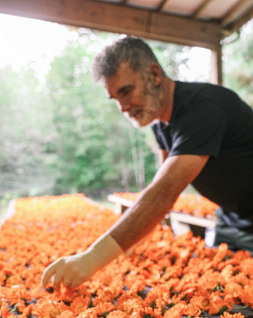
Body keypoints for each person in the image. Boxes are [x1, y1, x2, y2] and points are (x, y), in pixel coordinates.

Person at [42, 36, 253, 289]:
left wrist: (94, 257)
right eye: (115, 99)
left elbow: (165, 191)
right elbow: (161, 183)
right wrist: (131, 239)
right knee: (222, 288)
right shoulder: (160, 122)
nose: (122, 107)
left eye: (126, 91)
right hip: (230, 218)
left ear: (154, 73)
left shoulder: (203, 108)